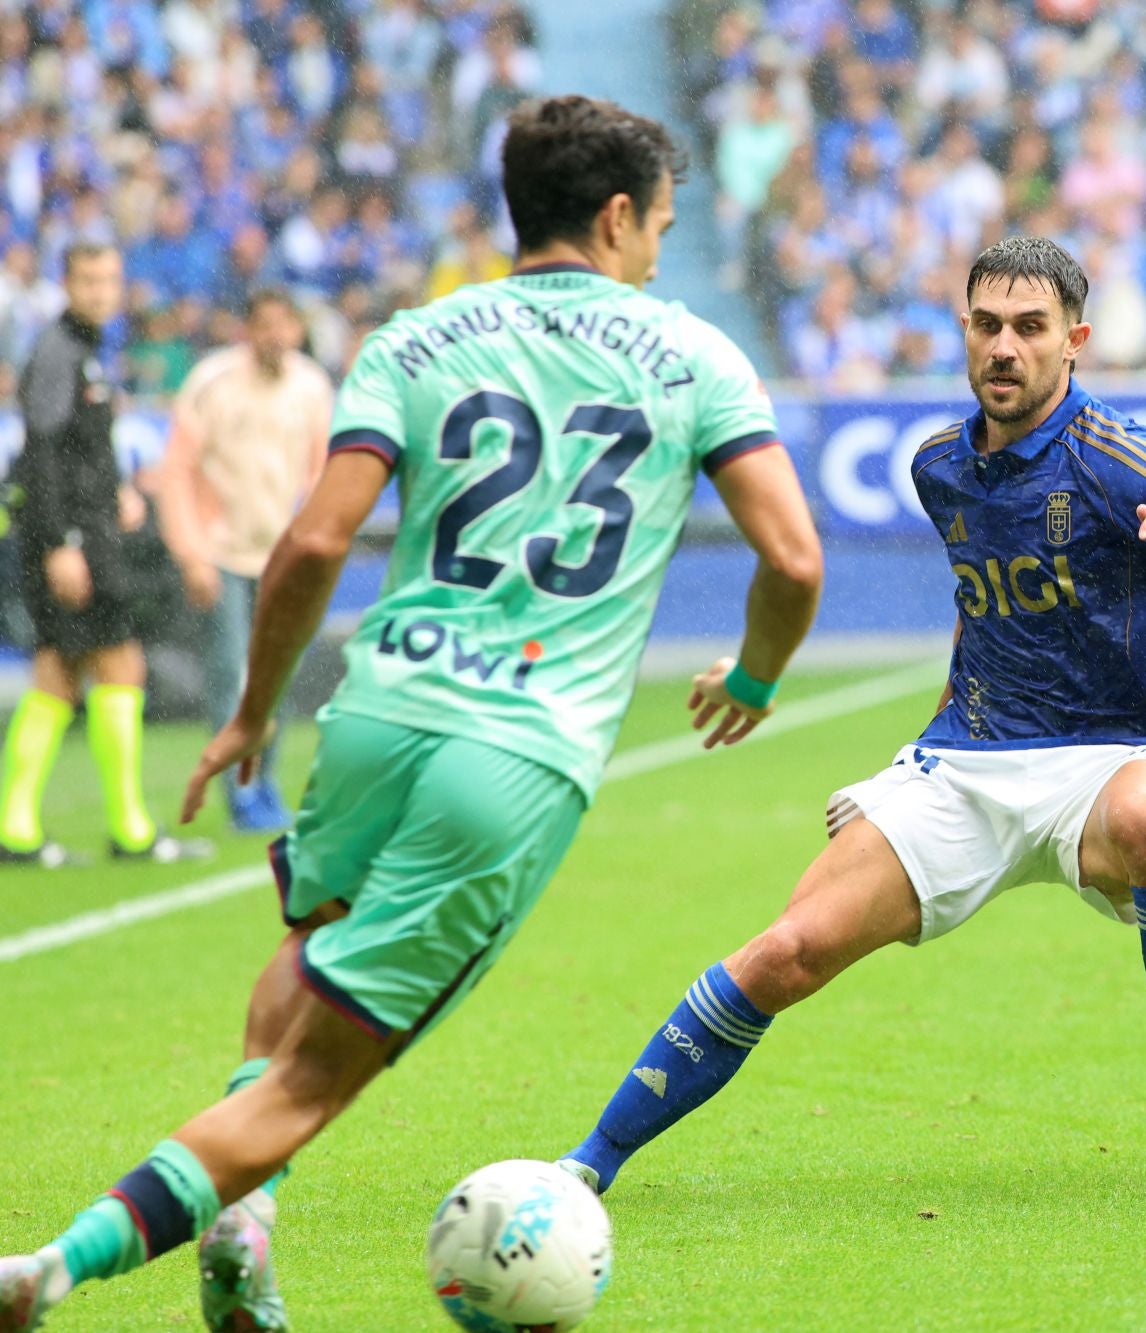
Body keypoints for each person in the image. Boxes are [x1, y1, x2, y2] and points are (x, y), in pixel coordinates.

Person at [0, 95, 823, 1331]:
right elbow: (795, 560)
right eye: (658, 225)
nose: (659, 252)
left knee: (309, 942)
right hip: (517, 757)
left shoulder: (418, 337)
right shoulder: (696, 355)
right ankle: (50, 1271)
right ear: (615, 217)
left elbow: (311, 543)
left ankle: (245, 1217)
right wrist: (754, 677)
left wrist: (253, 714)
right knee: (311, 1083)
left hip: (379, 709)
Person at [559, 236, 1146, 1196]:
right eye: (987, 325)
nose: (1005, 347)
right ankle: (583, 1166)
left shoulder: (1121, 458)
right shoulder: (938, 466)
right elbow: (983, 603)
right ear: (963, 329)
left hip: (1114, 756)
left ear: (1075, 341)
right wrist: (918, 753)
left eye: (1031, 328)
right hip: (966, 765)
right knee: (787, 950)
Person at [0, 244, 212, 868]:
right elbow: (39, 453)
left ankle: (18, 828)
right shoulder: (59, 353)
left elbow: (76, 448)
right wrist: (62, 542)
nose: (100, 291)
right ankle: (130, 829)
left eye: (110, 280)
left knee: (59, 674)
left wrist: (115, 490)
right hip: (73, 542)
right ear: (67, 284)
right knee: (118, 665)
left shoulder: (85, 350)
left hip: (86, 532)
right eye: (88, 280)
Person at [158, 289, 334, 833]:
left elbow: (322, 474)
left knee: (278, 674)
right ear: (247, 331)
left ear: (298, 331)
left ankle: (265, 779)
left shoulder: (312, 387)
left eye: (284, 325)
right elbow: (176, 472)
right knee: (232, 674)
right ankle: (241, 791)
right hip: (223, 552)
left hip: (282, 557)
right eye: (264, 325)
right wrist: (192, 553)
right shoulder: (212, 382)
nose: (274, 336)